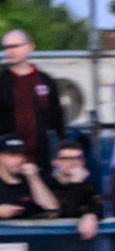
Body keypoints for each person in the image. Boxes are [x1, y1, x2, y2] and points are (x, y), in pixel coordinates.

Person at [1, 30, 66, 170]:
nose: (10, 51)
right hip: (7, 159)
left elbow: (57, 118)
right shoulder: (2, 82)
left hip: (41, 158)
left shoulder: (45, 81)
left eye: (15, 46)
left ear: (29, 47)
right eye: (6, 47)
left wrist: (63, 146)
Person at [47, 141, 102, 240]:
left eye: (77, 158)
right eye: (66, 159)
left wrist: (92, 214)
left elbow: (99, 207)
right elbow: (66, 212)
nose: (72, 163)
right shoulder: (48, 185)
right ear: (55, 162)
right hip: (54, 241)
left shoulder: (89, 184)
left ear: (83, 162)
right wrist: (75, 185)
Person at [0, 132, 55, 218]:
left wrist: (33, 177)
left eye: (23, 154)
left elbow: (52, 210)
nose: (21, 159)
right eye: (14, 155)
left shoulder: (35, 179)